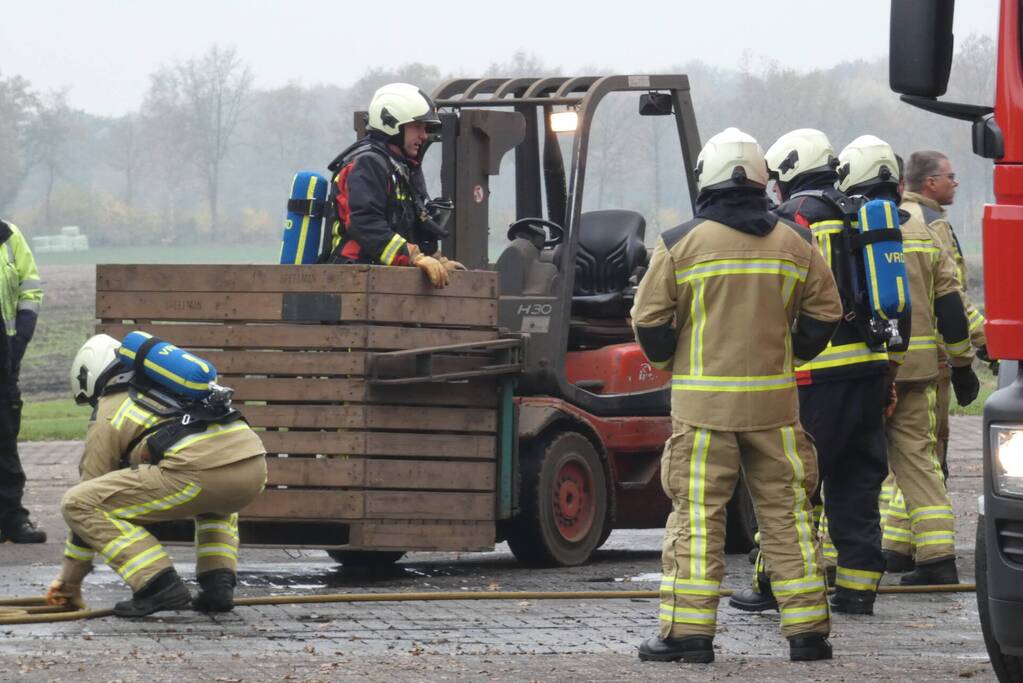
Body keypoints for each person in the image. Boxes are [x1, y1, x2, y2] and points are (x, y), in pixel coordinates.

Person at [633, 127, 842, 664]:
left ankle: (688, 635)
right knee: (788, 515)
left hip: (703, 412)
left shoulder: (680, 244)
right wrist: (791, 354)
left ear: (706, 179)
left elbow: (649, 320)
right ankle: (807, 634)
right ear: (761, 180)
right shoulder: (795, 243)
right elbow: (826, 311)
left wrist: (671, 362)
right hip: (776, 410)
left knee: (698, 518)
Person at [729, 129, 908, 617]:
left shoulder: (795, 217)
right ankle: (857, 589)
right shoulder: (863, 211)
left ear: (788, 169)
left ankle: (772, 581)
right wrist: (888, 373)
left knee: (792, 481)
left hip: (819, 375)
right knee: (858, 480)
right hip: (871, 370)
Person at [837, 136, 977, 585]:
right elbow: (951, 306)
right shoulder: (922, 229)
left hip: (855, 372)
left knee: (839, 461)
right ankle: (936, 557)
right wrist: (963, 364)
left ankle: (829, 562)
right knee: (917, 460)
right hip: (916, 371)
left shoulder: (833, 226)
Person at [46, 334, 267, 617]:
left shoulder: (112, 404)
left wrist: (69, 581)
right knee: (213, 497)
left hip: (198, 474)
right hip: (252, 468)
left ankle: (157, 586)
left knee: (78, 502)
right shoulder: (173, 388)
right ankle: (218, 586)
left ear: (91, 376)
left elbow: (88, 494)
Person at [881, 150, 990, 571]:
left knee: (903, 458)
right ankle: (922, 549)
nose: (955, 183)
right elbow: (952, 297)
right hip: (932, 363)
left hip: (892, 363)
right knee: (923, 453)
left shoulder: (886, 219)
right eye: (951, 176)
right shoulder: (928, 225)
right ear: (929, 183)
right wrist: (983, 342)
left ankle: (896, 546)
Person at [321, 82, 463, 288]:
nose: (424, 135)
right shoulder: (366, 165)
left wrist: (434, 258)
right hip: (352, 282)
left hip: (386, 283)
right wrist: (412, 256)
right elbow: (365, 223)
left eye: (425, 128)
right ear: (391, 123)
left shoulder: (403, 168)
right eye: (417, 127)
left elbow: (410, 227)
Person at [0, 218, 44, 544]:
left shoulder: (9, 234)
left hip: (4, 357)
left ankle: (13, 518)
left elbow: (30, 289)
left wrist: (19, 342)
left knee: (5, 441)